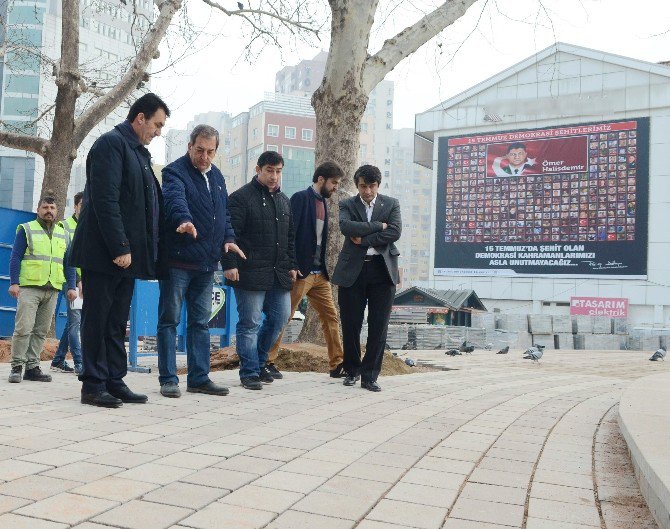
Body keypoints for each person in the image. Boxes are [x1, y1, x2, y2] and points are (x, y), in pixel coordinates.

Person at [69, 93, 169, 408]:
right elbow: (104, 200)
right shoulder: (110, 145)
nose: (158, 131)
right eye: (156, 124)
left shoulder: (138, 153)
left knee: (116, 321)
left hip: (128, 258)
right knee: (97, 319)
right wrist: (120, 246)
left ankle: (114, 378)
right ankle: (93, 385)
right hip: (106, 253)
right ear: (139, 118)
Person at [157, 124, 245, 398]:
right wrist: (183, 220)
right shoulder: (174, 171)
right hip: (178, 262)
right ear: (189, 146)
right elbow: (174, 200)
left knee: (200, 323)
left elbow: (224, 216)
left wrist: (228, 240)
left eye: (210, 152)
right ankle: (169, 379)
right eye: (199, 150)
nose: (204, 157)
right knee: (170, 320)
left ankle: (198, 377)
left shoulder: (217, 176)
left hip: (207, 264)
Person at [221, 151, 297, 390]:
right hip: (248, 272)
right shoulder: (241, 198)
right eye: (269, 171)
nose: (274, 176)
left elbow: (290, 238)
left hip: (278, 272)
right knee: (250, 322)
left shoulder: (285, 201)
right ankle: (249, 372)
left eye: (278, 171)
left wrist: (293, 265)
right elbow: (228, 233)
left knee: (280, 317)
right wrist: (230, 264)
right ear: (258, 169)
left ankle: (261, 361)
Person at [266, 161, 345, 379]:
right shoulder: (301, 198)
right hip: (301, 272)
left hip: (320, 275)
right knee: (284, 315)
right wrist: (292, 265)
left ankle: (337, 365)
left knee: (331, 317)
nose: (336, 187)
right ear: (321, 180)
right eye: (334, 183)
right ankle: (267, 361)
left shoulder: (325, 203)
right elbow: (289, 232)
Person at [332, 164, 401, 392]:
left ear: (378, 185)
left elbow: (395, 232)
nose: (368, 191)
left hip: (382, 271)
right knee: (351, 324)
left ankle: (370, 375)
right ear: (357, 185)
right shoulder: (347, 204)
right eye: (363, 186)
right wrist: (377, 226)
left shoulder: (391, 204)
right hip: (353, 270)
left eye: (372, 186)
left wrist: (365, 239)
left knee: (378, 325)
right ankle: (352, 370)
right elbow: (346, 226)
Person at [8, 195, 77, 383]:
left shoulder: (63, 233)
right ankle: (16, 367)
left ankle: (32, 367)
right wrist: (14, 282)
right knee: (24, 328)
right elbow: (15, 257)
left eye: (52, 208)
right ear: (38, 209)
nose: (49, 211)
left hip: (52, 288)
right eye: (45, 207)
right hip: (29, 288)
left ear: (57, 211)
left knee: (41, 331)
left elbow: (68, 262)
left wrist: (71, 286)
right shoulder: (27, 229)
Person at [51, 191, 84, 375]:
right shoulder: (65, 226)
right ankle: (80, 363)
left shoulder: (89, 225)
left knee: (73, 321)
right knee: (76, 322)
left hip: (83, 282)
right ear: (76, 206)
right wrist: (77, 281)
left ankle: (57, 360)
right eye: (82, 205)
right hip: (69, 280)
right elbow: (68, 258)